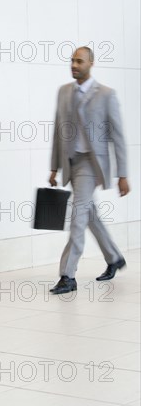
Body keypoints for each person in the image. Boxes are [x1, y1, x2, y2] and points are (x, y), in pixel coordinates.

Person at [49, 46, 130, 295]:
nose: (74, 64)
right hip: (71, 162)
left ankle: (67, 275)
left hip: (91, 165)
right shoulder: (64, 92)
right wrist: (54, 168)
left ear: (91, 63)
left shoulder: (106, 94)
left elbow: (118, 136)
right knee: (88, 213)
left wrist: (122, 175)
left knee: (77, 217)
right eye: (72, 60)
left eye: (79, 61)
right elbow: (57, 131)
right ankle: (114, 257)